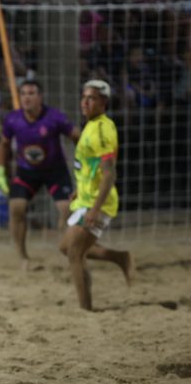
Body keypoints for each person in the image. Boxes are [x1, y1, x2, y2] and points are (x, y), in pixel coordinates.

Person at [59, 80, 134, 311]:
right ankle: (120, 258)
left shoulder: (103, 129)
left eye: (91, 98)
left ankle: (86, 309)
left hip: (98, 203)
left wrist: (94, 208)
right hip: (86, 198)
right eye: (84, 97)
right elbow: (90, 167)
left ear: (103, 102)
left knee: (74, 252)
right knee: (66, 247)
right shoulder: (90, 126)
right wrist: (79, 190)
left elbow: (109, 173)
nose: (85, 102)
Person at [0, 80, 81, 271]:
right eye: (23, 93)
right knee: (16, 207)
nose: (26, 97)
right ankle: (23, 257)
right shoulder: (13, 119)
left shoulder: (54, 117)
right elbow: (3, 145)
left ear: (40, 97)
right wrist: (0, 172)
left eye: (31, 93)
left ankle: (68, 251)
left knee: (67, 210)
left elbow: (77, 137)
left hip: (54, 170)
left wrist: (84, 163)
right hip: (27, 171)